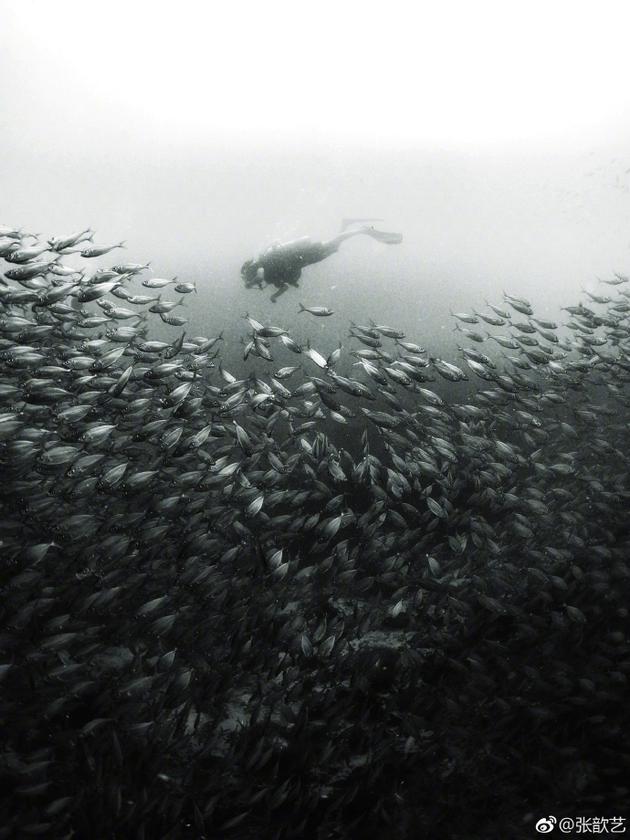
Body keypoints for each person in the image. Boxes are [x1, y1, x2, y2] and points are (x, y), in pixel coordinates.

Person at [241, 222, 403, 302]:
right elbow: (283, 286)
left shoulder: (263, 263)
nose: (253, 283)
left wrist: (250, 284)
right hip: (307, 259)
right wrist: (274, 296)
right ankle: (354, 230)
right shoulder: (270, 277)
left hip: (304, 253)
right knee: (334, 246)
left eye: (249, 279)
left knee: (333, 243)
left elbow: (260, 275)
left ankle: (361, 230)